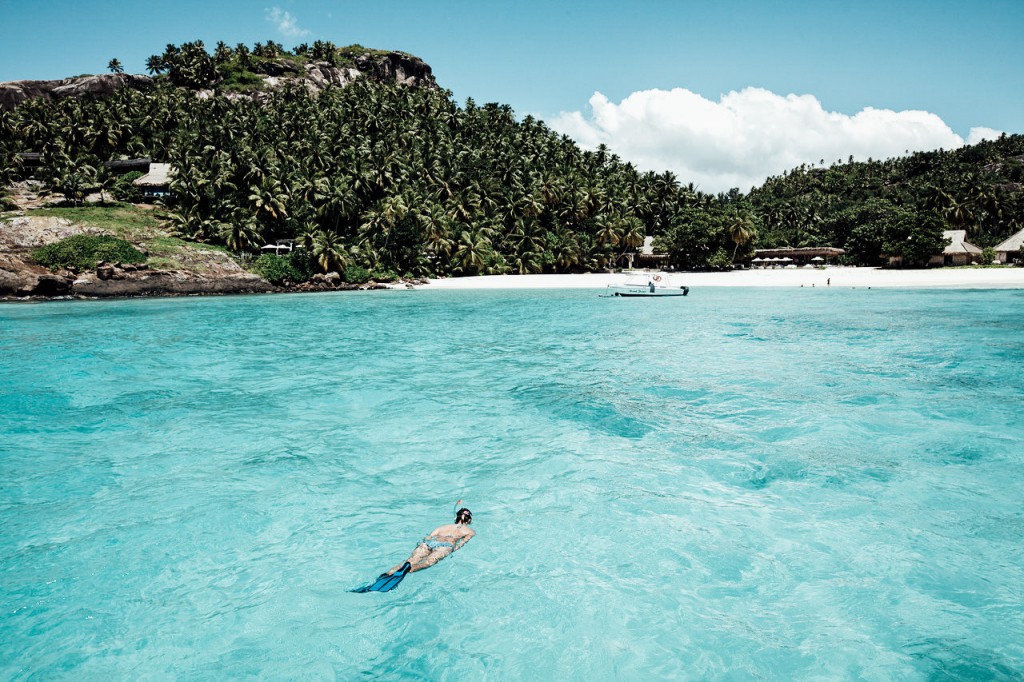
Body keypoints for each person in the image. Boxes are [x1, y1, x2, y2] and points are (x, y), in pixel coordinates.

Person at [387, 502, 475, 575]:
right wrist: (452, 549)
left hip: (430, 543)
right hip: (446, 546)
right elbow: (461, 544)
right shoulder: (469, 531)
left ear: (456, 517)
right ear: (469, 520)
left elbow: (427, 538)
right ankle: (410, 569)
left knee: (411, 560)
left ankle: (389, 573)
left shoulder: (442, 527)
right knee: (427, 563)